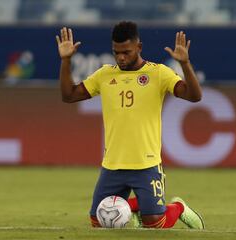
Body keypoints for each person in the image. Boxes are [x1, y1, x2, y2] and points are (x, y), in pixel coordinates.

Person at [56, 21, 204, 229]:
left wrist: (185, 64)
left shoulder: (158, 73)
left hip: (146, 164)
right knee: (98, 221)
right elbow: (68, 96)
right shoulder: (105, 75)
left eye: (126, 52)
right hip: (113, 164)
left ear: (139, 47)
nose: (121, 57)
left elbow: (194, 96)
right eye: (116, 52)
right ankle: (134, 211)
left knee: (155, 222)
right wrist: (66, 61)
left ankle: (178, 207)